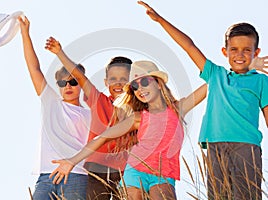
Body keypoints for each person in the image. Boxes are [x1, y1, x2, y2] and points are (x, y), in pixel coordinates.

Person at [137, 1, 268, 199]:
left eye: (246, 50)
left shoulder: (260, 80)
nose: (239, 55)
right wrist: (160, 20)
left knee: (246, 195)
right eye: (234, 49)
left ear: (255, 52)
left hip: (246, 148)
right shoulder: (215, 75)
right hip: (215, 147)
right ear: (225, 51)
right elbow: (189, 46)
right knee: (217, 196)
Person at [48, 60, 207, 200]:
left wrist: (226, 70)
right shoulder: (138, 118)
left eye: (144, 82)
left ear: (158, 83)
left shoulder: (177, 109)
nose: (140, 89)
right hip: (135, 170)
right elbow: (102, 137)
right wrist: (72, 160)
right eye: (135, 86)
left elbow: (211, 83)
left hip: (164, 175)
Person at [45, 37, 133, 199]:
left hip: (125, 171)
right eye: (113, 79)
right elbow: (79, 77)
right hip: (97, 168)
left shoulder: (137, 112)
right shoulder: (99, 100)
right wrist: (60, 53)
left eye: (124, 79)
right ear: (106, 82)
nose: (118, 83)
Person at [18, 16, 91, 200]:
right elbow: (34, 68)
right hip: (46, 176)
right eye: (62, 82)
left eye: (73, 82)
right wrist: (25, 33)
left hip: (76, 175)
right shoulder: (51, 101)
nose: (68, 86)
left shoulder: (90, 114)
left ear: (81, 84)